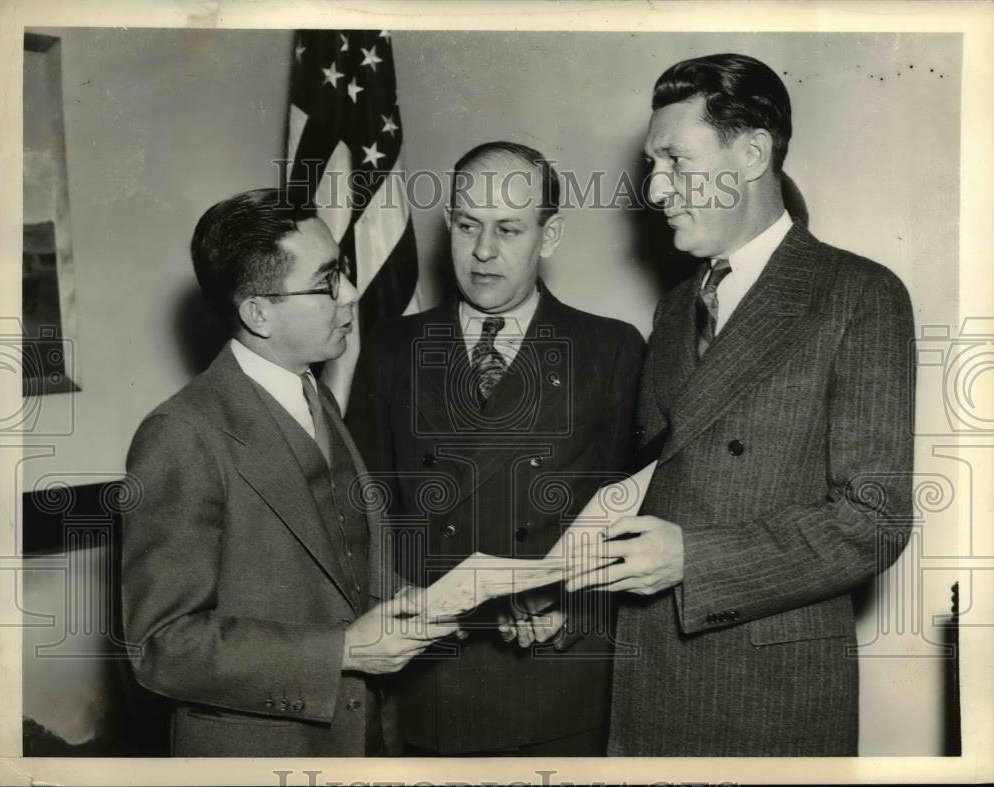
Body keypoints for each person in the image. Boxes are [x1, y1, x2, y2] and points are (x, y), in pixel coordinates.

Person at [566, 53, 915, 756]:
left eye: (675, 161)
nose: (656, 189)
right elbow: (655, 480)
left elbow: (875, 518)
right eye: (650, 164)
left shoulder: (859, 295)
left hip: (769, 693)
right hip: (647, 671)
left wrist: (697, 557)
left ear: (752, 153)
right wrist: (568, 576)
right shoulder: (674, 308)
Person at [121, 188, 457, 757]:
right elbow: (162, 646)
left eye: (344, 271)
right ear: (258, 312)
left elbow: (336, 564)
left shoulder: (313, 391)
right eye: (327, 281)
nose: (351, 295)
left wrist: (416, 602)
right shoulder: (182, 433)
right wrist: (343, 652)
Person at [346, 142, 645, 756]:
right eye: (466, 226)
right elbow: (361, 510)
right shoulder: (391, 347)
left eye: (509, 229)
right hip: (427, 676)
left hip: (555, 681)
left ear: (549, 234)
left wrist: (576, 606)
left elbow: (635, 510)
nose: (483, 251)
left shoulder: (610, 350)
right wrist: (399, 603)